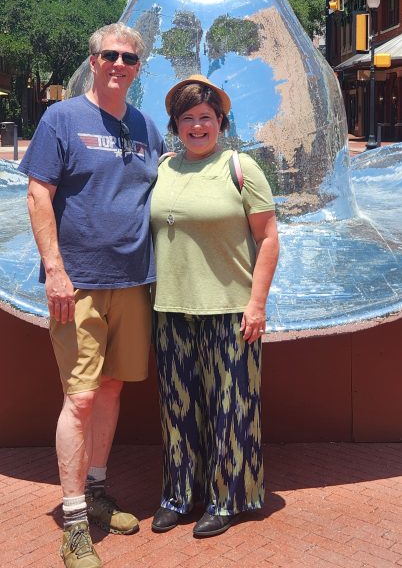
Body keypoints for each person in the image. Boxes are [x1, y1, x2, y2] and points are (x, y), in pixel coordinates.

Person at [20, 23, 164, 568]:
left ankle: (98, 491)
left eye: (129, 58)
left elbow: (167, 183)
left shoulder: (147, 127)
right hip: (77, 284)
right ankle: (74, 521)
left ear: (136, 67)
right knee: (79, 397)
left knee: (109, 391)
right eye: (110, 55)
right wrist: (54, 269)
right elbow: (39, 194)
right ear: (93, 60)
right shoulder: (62, 118)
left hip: (132, 282)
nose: (119, 64)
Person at [148, 75, 280, 538]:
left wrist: (257, 304)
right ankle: (178, 495)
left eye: (206, 117)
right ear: (176, 125)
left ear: (221, 121)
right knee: (177, 409)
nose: (198, 126)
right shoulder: (163, 167)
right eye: (188, 119)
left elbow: (268, 240)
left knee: (231, 408)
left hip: (229, 309)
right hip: (170, 309)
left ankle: (227, 500)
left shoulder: (241, 168)